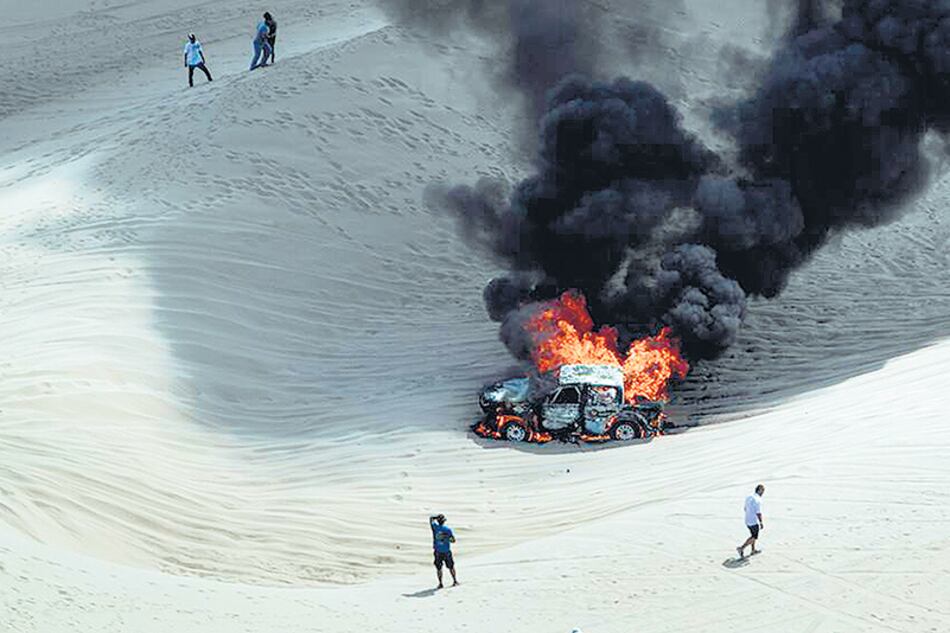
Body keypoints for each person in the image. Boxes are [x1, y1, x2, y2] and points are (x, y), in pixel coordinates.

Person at [429, 514, 458, 588]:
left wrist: (435, 517)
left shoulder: (435, 528)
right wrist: (446, 538)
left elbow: (431, 519)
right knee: (451, 567)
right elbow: (453, 540)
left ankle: (440, 583)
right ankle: (455, 580)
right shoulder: (447, 530)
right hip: (446, 551)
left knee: (439, 568)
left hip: (438, 551)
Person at [737, 484, 765, 559]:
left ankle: (753, 550)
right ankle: (741, 548)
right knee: (754, 537)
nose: (763, 493)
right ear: (759, 490)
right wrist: (761, 522)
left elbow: (745, 508)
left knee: (753, 535)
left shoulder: (749, 497)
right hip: (753, 521)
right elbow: (758, 512)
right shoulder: (758, 500)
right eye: (762, 491)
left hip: (747, 520)